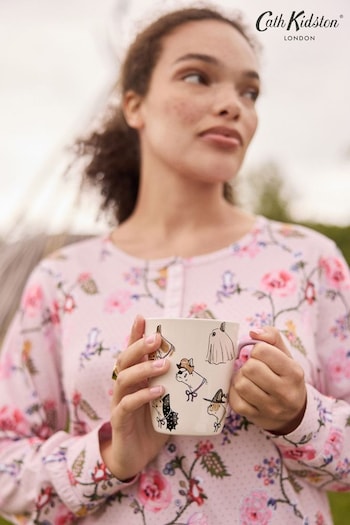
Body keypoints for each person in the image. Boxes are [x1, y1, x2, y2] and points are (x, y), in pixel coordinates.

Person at [0, 5, 349, 525]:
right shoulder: (62, 278)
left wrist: (300, 417)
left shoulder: (309, 259)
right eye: (197, 76)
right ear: (135, 105)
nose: (232, 104)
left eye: (248, 91)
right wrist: (109, 456)